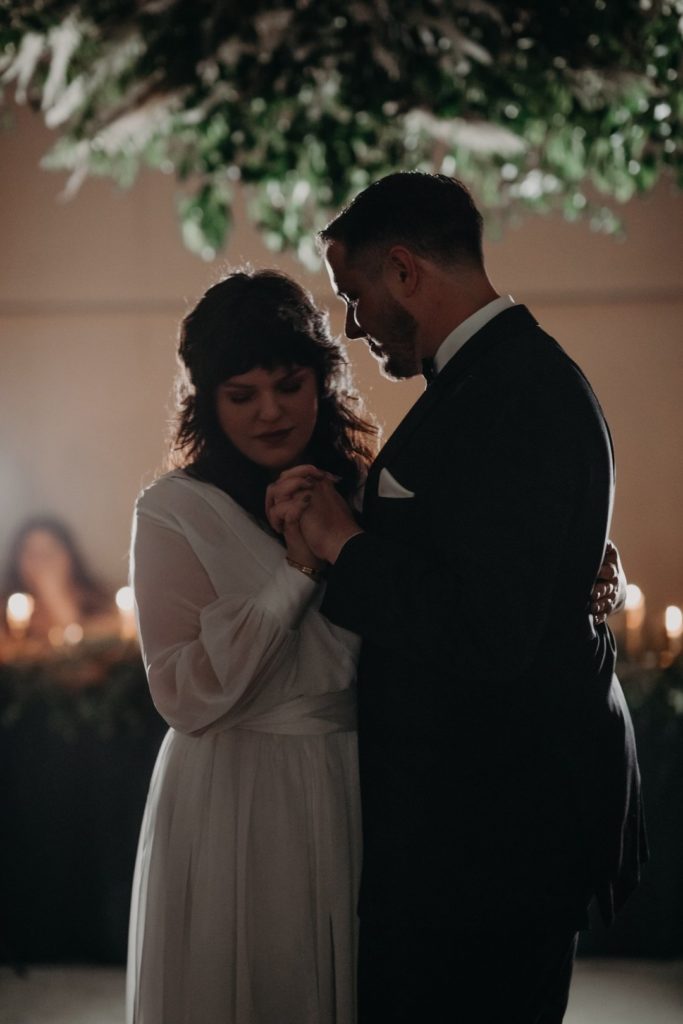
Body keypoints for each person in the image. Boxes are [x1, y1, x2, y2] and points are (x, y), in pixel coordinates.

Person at [266, 173, 646, 1023]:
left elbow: (488, 630)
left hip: (486, 844)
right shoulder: (490, 382)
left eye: (353, 296)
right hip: (470, 836)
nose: (352, 325)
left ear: (404, 270)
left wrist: (344, 545)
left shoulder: (514, 395)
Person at [125, 269, 378, 1024]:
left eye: (288, 384)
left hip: (348, 774)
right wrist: (295, 570)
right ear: (205, 399)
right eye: (241, 394)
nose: (270, 411)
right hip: (228, 787)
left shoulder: (363, 492)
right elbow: (184, 696)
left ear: (322, 381)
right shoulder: (172, 511)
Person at [1, 516, 115, 647]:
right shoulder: (5, 613)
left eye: (50, 551)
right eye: (32, 554)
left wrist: (55, 597)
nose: (41, 561)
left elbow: (91, 650)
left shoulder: (99, 601)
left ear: (70, 556)